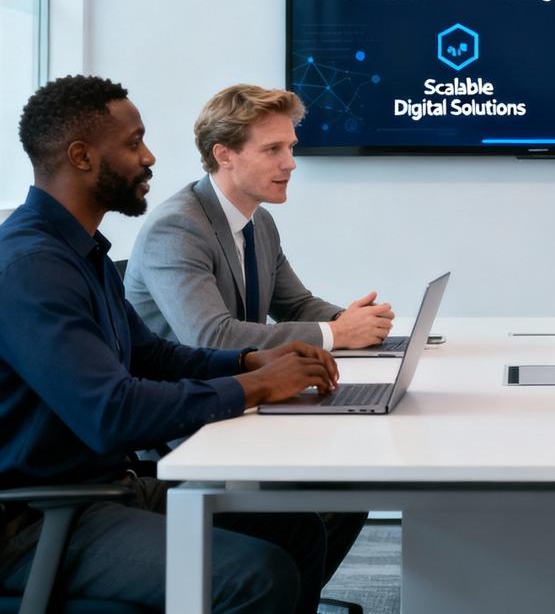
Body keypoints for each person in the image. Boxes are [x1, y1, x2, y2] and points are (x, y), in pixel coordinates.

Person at [0, 75, 344, 612]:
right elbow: (112, 413)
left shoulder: (81, 251)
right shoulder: (31, 267)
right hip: (34, 519)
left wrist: (252, 359)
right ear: (81, 156)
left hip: (101, 487)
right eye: (134, 143)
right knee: (257, 574)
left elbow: (153, 356)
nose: (150, 157)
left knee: (296, 530)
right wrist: (252, 386)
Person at [125, 83, 394, 351]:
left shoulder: (260, 221)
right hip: (182, 388)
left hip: (241, 381)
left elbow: (296, 306)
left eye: (290, 147)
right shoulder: (176, 228)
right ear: (224, 155)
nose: (290, 163)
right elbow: (213, 338)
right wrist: (338, 332)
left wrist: (351, 321)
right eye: (273, 149)